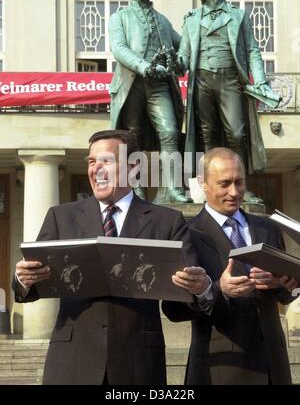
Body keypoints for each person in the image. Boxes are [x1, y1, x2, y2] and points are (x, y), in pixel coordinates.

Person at [14, 129, 210, 385]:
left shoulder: (166, 221)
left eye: (106, 161)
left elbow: (182, 300)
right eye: (91, 162)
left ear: (133, 166)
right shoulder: (60, 217)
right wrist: (24, 279)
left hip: (138, 364)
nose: (96, 169)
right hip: (72, 362)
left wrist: (201, 288)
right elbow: (30, 288)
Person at [163, 148, 299, 385]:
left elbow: (285, 295)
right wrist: (217, 290)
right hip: (220, 368)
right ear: (203, 184)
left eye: (239, 182)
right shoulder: (186, 234)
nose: (234, 192)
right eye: (224, 183)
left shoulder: (267, 227)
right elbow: (173, 310)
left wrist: (286, 284)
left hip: (273, 364)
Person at [178, 0, 279, 202]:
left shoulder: (238, 16)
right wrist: (175, 63)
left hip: (229, 78)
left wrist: (260, 79)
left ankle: (242, 186)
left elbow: (253, 50)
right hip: (202, 79)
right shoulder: (192, 19)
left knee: (237, 132)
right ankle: (214, 188)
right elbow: (183, 56)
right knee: (208, 136)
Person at [109, 0, 189, 203]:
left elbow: (184, 46)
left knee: (170, 131)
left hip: (159, 85)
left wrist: (193, 23)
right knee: (132, 137)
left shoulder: (163, 21)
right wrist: (144, 66)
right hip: (131, 83)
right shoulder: (120, 17)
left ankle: (173, 188)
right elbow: (119, 49)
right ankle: (136, 189)